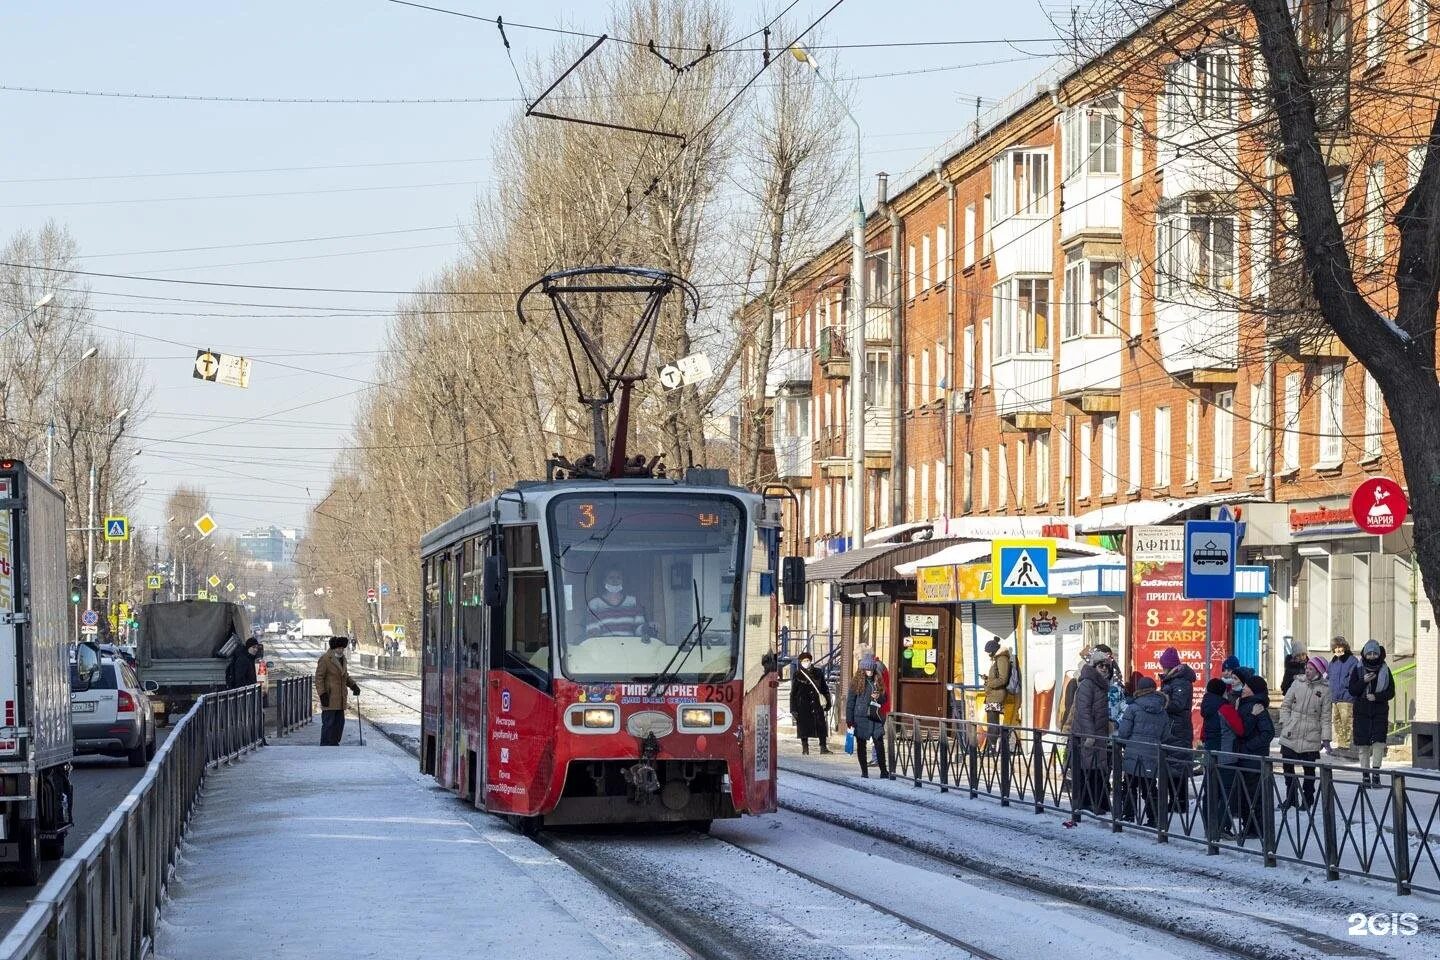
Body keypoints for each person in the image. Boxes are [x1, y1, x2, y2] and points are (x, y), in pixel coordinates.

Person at [1065, 648, 1114, 823]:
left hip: (1098, 733)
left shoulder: (1100, 683)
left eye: (1106, 666)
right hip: (1087, 735)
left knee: (1097, 769)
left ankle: (1097, 803)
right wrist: (1090, 734)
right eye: (1101, 665)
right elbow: (1083, 711)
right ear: (1093, 665)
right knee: (1088, 769)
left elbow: (1099, 709)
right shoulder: (1088, 683)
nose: (1104, 668)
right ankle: (1087, 804)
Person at [1278, 655, 1332, 810]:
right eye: (1307, 668)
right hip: (1292, 729)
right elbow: (1286, 705)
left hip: (1311, 732)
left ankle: (1308, 800)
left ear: (1318, 671)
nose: (1307, 671)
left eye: (1311, 669)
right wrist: (1286, 722)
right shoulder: (1297, 683)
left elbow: (1326, 717)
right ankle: (1290, 797)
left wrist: (1326, 738)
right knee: (1287, 766)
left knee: (1309, 769)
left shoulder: (1325, 690)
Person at [1117, 676, 1168, 826]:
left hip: (1133, 752)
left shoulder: (1132, 708)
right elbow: (1165, 735)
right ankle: (1155, 819)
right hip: (1152, 753)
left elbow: (1124, 733)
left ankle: (1128, 815)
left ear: (1139, 690)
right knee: (1150, 787)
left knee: (1129, 784)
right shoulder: (1162, 710)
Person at [1348, 640, 1396, 787]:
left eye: (1375, 653)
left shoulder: (1385, 669)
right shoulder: (1358, 669)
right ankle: (1365, 775)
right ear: (1364, 654)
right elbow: (1352, 690)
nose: (1372, 656)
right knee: (1363, 745)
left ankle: (1376, 773)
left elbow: (1391, 691)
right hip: (1362, 710)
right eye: (1369, 653)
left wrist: (1377, 697)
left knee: (1379, 743)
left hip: (1379, 711)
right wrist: (1363, 681)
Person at [1234, 674, 1275, 838]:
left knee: (1254, 796)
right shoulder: (1243, 703)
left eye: (1247, 686)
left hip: (1253, 758)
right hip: (1244, 757)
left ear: (1254, 690)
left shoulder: (1258, 707)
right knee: (1245, 795)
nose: (1243, 688)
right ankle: (1249, 826)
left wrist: (1248, 747)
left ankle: (1256, 828)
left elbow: (1268, 733)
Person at [1157, 646, 1196, 812]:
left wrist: (1161, 699)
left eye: (1164, 666)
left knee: (1178, 767)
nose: (1162, 668)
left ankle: (1179, 804)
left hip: (1178, 729)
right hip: (1173, 727)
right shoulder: (1173, 679)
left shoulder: (1180, 681)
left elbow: (1178, 705)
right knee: (1172, 767)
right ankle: (1174, 802)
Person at [845, 657, 889, 778]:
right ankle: (864, 772)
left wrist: (878, 696)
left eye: (871, 669)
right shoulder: (856, 682)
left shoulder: (878, 679)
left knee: (879, 742)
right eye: (867, 669)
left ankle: (884, 771)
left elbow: (885, 698)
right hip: (860, 716)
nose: (869, 671)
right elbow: (850, 702)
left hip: (875, 715)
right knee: (861, 744)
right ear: (862, 670)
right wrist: (849, 720)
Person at [315, 636, 361, 746]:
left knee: (339, 724)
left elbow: (345, 676)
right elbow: (319, 678)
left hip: (340, 698)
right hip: (329, 697)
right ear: (333, 648)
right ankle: (326, 744)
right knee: (328, 723)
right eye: (338, 648)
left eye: (342, 648)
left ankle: (334, 743)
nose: (340, 650)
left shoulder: (343, 659)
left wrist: (353, 685)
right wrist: (322, 694)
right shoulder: (325, 659)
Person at [585, 568, 648, 640]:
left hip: (630, 646)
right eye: (611, 577)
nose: (614, 581)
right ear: (604, 581)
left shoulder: (633, 602)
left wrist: (647, 627)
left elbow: (639, 629)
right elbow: (592, 631)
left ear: (622, 581)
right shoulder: (594, 603)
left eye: (618, 578)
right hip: (604, 648)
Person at [789, 651, 832, 755]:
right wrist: (793, 708)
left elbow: (824, 688)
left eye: (808, 660)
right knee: (803, 727)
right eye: (804, 661)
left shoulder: (818, 672)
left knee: (821, 725)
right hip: (803, 705)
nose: (806, 662)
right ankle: (805, 748)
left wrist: (827, 702)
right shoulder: (798, 674)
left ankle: (823, 747)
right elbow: (793, 693)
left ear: (811, 661)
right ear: (800, 662)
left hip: (817, 704)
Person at [1328, 637, 1360, 758]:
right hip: (1335, 697)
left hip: (1347, 697)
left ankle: (1346, 745)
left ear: (1345, 647)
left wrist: (1345, 685)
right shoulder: (1333, 662)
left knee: (1347, 721)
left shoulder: (1352, 661)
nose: (1338, 649)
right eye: (1335, 647)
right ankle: (1341, 744)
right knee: (1337, 722)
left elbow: (1354, 678)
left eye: (1340, 647)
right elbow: (1329, 676)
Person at [982, 639, 1012, 739]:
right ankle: (993, 746)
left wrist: (990, 683)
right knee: (992, 722)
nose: (988, 654)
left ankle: (993, 747)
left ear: (994, 650)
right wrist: (987, 678)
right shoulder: (998, 659)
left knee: (993, 723)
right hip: (993, 694)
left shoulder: (1002, 659)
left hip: (996, 695)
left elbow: (1003, 679)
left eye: (989, 652)